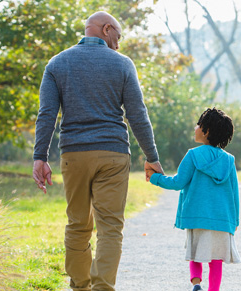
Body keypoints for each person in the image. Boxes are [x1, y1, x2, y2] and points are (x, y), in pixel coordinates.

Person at [32, 11, 164, 291]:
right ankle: (103, 288)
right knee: (110, 228)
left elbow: (47, 114)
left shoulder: (57, 63)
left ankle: (80, 287)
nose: (119, 40)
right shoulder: (123, 64)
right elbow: (137, 115)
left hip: (74, 154)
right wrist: (152, 157)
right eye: (118, 33)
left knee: (77, 225)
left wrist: (39, 157)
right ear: (106, 29)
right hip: (113, 154)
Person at [146, 108, 241, 291]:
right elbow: (234, 192)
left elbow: (178, 182)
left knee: (196, 254)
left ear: (206, 131)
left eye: (199, 124)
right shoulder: (229, 160)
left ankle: (196, 285)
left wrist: (155, 178)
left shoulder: (193, 155)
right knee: (216, 260)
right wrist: (234, 220)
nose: (195, 127)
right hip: (222, 219)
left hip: (196, 216)